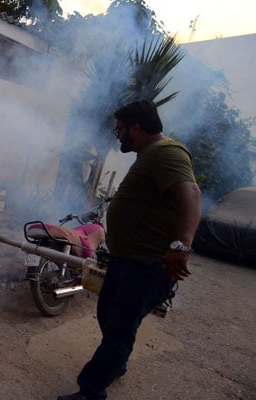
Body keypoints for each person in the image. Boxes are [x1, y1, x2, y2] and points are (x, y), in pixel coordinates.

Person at [58, 100, 202, 400]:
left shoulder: (167, 152)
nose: (118, 135)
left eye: (120, 129)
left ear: (135, 128)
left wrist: (181, 245)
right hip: (128, 260)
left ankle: (90, 391)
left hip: (147, 265)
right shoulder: (149, 154)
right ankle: (116, 362)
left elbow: (190, 192)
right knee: (108, 314)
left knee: (120, 326)